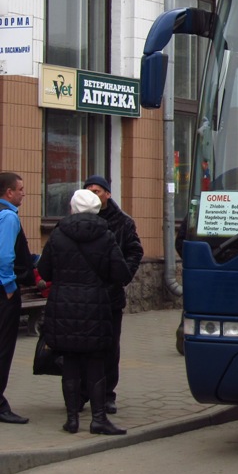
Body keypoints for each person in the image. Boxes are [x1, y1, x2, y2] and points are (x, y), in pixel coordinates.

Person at [38, 189, 132, 435]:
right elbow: (121, 274)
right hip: (96, 304)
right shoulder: (106, 235)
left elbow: (44, 271)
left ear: (72, 208)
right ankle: (98, 419)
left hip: (63, 305)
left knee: (69, 361)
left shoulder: (57, 235)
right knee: (95, 362)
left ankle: (71, 420)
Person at [83, 175, 143, 415]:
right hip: (83, 296)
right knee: (80, 348)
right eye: (88, 190)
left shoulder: (122, 222)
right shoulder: (77, 220)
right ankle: (80, 394)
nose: (92, 194)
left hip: (110, 296)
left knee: (109, 346)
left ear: (107, 194)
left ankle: (107, 394)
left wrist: (122, 276)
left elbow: (135, 250)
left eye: (97, 190)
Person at [0, 172, 30, 424]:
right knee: (3, 348)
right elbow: (5, 256)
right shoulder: (8, 216)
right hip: (3, 292)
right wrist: (9, 285)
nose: (23, 193)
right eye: (20, 189)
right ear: (9, 192)